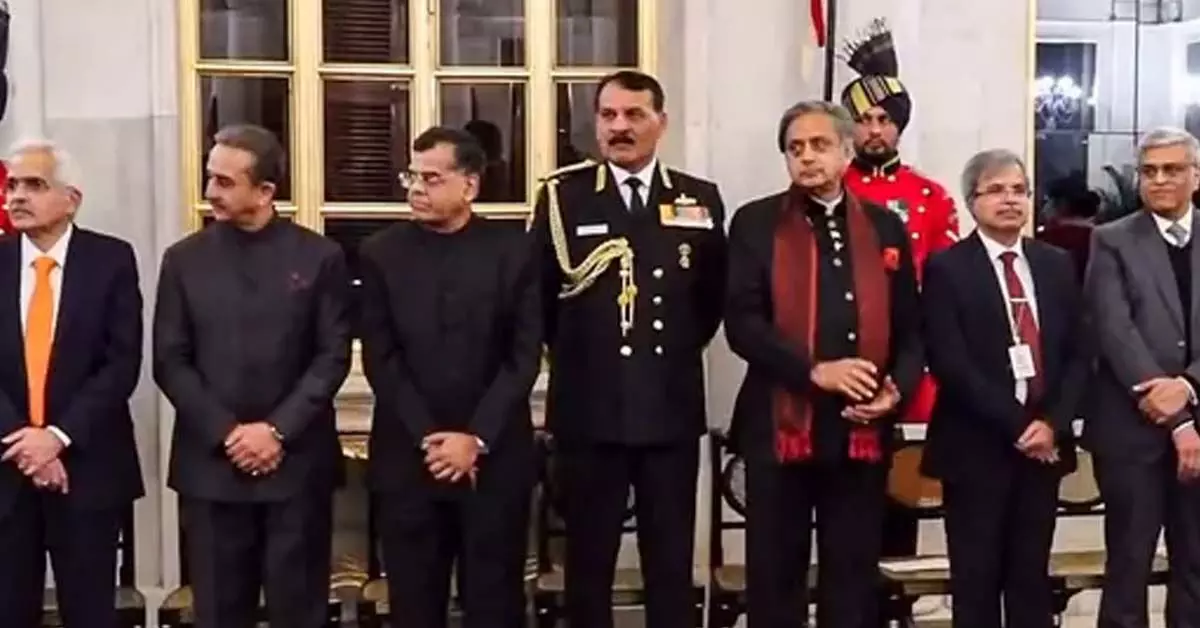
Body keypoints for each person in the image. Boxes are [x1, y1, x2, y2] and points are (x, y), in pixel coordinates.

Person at [528, 70, 727, 628]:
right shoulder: (562, 198)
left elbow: (710, 302)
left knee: (669, 563)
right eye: (609, 115)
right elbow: (540, 301)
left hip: (669, 413)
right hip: (589, 416)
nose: (620, 127)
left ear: (660, 123)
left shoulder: (697, 199)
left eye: (634, 115)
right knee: (589, 566)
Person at [724, 100, 923, 628]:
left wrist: (894, 392)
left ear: (847, 150)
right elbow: (742, 324)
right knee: (774, 574)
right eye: (795, 148)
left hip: (862, 432)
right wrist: (816, 371)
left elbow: (912, 329)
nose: (807, 158)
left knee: (853, 575)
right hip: (778, 428)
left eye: (819, 145)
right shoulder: (755, 222)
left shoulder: (883, 226)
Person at [154, 124, 351, 628]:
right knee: (218, 612)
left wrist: (275, 430)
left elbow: (332, 357)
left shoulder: (319, 257)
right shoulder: (184, 260)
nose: (209, 192)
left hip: (297, 467)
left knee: (299, 611)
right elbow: (170, 360)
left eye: (224, 181)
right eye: (209, 178)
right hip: (212, 469)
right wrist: (229, 434)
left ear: (265, 191)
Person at [359, 126, 540, 628]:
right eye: (411, 176)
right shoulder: (380, 253)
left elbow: (524, 357)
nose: (416, 188)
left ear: (470, 186)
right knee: (415, 604)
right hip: (408, 459)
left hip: (495, 459)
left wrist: (475, 438)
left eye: (432, 178)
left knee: (496, 602)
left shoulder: (514, 252)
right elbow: (381, 358)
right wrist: (433, 441)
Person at [921, 149, 1089, 628]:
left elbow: (1080, 352)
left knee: (1029, 579)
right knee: (976, 582)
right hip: (977, 448)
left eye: (1018, 190)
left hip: (1044, 451)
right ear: (972, 201)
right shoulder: (947, 268)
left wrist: (1052, 424)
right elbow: (950, 362)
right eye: (995, 190)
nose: (1009, 200)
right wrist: (1021, 426)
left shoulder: (1055, 264)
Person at [838, 23, 958, 609]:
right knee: (845, 516)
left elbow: (944, 291)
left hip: (907, 377)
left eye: (885, 120)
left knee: (901, 506)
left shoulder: (931, 198)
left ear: (899, 126)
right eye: (863, 120)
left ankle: (897, 611)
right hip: (842, 371)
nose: (874, 129)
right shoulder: (828, 190)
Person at [0, 139, 144, 627]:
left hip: (88, 469)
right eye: (12, 184)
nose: (17, 196)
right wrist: (27, 445)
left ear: (71, 199)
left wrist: (57, 439)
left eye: (34, 185)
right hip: (6, 470)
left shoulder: (111, 260)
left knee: (90, 612)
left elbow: (121, 364)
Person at [1085, 126, 1200, 628]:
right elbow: (1114, 331)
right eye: (1149, 171)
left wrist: (1190, 387)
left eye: (1172, 170)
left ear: (1195, 175)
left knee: (1196, 565)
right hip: (1134, 429)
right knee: (1128, 566)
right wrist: (1177, 417)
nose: (1159, 180)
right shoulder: (1110, 240)